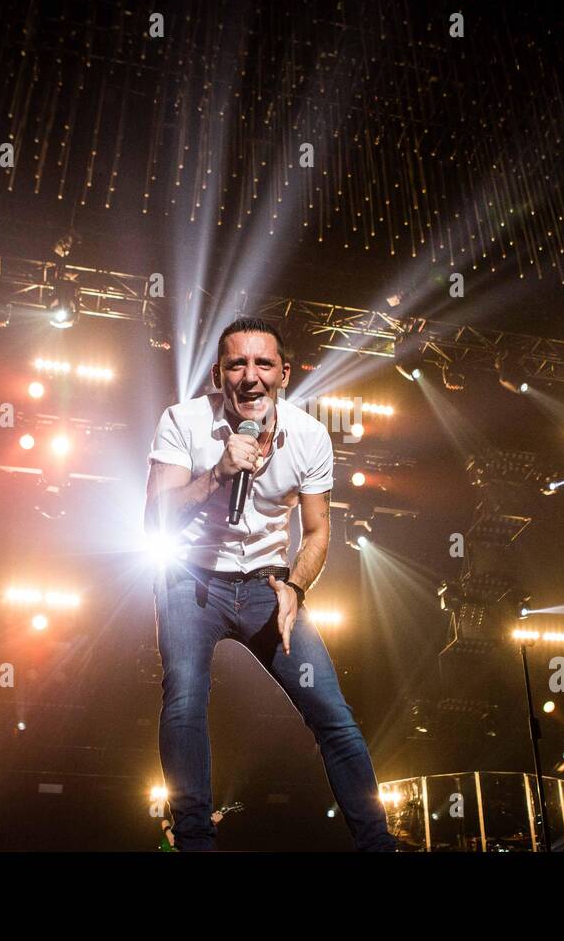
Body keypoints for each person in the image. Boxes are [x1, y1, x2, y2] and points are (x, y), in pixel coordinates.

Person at [144, 316, 396, 851]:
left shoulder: (308, 436)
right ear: (218, 374)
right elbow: (156, 520)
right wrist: (217, 475)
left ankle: (378, 845)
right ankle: (194, 841)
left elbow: (319, 529)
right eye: (237, 364)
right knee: (185, 699)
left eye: (263, 364)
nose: (250, 376)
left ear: (285, 371)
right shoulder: (182, 421)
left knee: (332, 713)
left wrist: (296, 586)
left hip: (267, 586)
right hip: (192, 583)